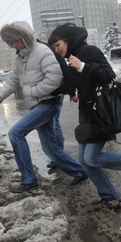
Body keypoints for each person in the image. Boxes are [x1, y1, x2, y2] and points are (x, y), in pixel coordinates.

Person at [48, 23, 121, 208]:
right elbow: (70, 84)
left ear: (67, 40)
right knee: (85, 162)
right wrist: (51, 89)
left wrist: (83, 67)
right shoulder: (71, 58)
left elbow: (109, 76)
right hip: (87, 114)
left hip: (101, 112)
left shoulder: (89, 51)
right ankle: (109, 196)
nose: (56, 49)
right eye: (54, 47)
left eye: (57, 45)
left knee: (91, 158)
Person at [0, 21, 88, 193]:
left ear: (25, 38)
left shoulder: (42, 52)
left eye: (16, 41)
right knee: (50, 147)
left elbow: (55, 78)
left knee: (15, 133)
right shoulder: (22, 57)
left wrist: (33, 91)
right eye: (11, 42)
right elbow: (14, 80)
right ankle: (80, 172)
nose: (14, 45)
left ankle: (28, 179)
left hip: (47, 103)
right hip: (39, 103)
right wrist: (0, 95)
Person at [37, 39, 79, 170]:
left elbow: (64, 69)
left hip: (54, 93)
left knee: (54, 123)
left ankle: (58, 156)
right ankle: (58, 155)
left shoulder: (44, 50)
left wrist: (72, 92)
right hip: (48, 92)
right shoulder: (38, 50)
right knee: (54, 123)